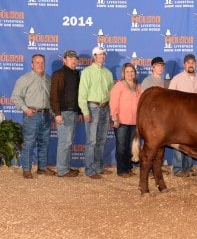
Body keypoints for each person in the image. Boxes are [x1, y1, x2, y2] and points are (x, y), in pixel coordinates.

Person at [11, 54, 55, 179]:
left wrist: (51, 112)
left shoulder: (48, 79)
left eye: (42, 62)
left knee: (44, 142)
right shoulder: (25, 79)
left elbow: (50, 98)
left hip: (45, 114)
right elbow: (15, 97)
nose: (40, 65)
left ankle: (42, 167)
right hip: (32, 115)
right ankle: (26, 169)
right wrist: (25, 109)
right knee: (29, 143)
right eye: (37, 62)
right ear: (32, 64)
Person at [78, 46, 114, 179]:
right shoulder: (87, 72)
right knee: (92, 141)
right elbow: (82, 93)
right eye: (99, 54)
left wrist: (111, 108)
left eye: (104, 54)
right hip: (92, 106)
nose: (102, 56)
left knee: (101, 140)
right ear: (94, 56)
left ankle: (99, 167)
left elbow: (111, 92)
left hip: (105, 107)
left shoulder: (108, 73)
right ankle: (89, 170)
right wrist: (85, 111)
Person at [168, 54, 197, 177]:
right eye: (188, 62)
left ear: (196, 64)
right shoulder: (177, 79)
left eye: (193, 62)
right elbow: (170, 98)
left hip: (195, 118)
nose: (191, 65)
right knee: (178, 141)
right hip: (179, 117)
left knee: (190, 142)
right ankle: (178, 169)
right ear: (184, 65)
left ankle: (188, 168)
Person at [50, 50, 83, 177]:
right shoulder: (59, 74)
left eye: (75, 58)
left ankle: (65, 167)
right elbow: (54, 96)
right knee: (65, 141)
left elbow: (78, 95)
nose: (73, 60)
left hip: (73, 112)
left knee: (68, 141)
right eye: (70, 58)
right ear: (64, 60)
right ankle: (62, 170)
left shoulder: (76, 74)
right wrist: (57, 113)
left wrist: (79, 112)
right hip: (64, 112)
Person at [110, 63, 141, 178]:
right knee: (121, 146)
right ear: (123, 73)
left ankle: (128, 168)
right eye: (127, 72)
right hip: (121, 121)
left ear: (135, 73)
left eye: (132, 71)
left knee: (130, 146)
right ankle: (122, 170)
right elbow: (113, 102)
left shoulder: (138, 86)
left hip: (134, 122)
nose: (130, 74)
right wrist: (115, 117)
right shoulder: (119, 85)